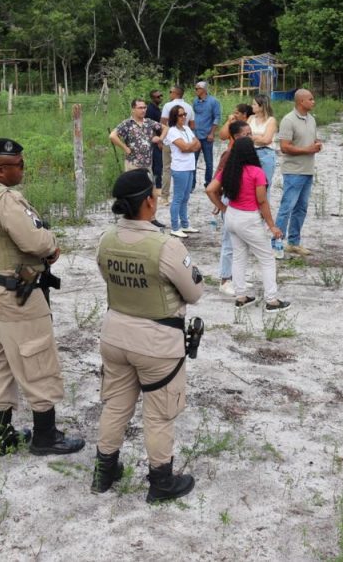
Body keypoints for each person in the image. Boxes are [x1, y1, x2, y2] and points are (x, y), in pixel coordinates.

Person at [0, 138, 84, 456]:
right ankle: (45, 436)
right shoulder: (4, 200)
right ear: (0, 169)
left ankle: (2, 435)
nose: (23, 170)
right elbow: (35, 242)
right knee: (37, 360)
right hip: (13, 293)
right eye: (19, 165)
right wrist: (51, 245)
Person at [92, 169, 203, 502]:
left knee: (115, 406)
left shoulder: (106, 238)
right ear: (148, 203)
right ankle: (161, 482)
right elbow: (194, 291)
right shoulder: (165, 245)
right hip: (157, 343)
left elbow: (106, 276)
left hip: (115, 335)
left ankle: (103, 473)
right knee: (158, 414)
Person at [206, 137, 290, 312]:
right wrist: (272, 225)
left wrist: (222, 207)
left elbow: (210, 189)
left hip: (232, 215)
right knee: (266, 258)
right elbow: (262, 201)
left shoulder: (229, 170)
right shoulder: (256, 172)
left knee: (239, 256)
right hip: (249, 218)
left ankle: (241, 296)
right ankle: (272, 300)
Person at [275, 89, 322, 257]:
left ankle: (294, 242)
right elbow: (284, 147)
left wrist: (316, 144)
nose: (313, 101)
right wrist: (307, 149)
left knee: (301, 208)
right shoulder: (288, 120)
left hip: (308, 170)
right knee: (287, 207)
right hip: (293, 171)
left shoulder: (311, 120)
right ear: (301, 101)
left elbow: (311, 141)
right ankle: (277, 243)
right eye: (310, 99)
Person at [213, 120, 253, 295]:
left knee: (241, 243)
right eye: (247, 134)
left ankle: (237, 277)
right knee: (229, 242)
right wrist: (220, 205)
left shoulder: (248, 154)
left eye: (251, 133)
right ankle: (225, 279)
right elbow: (215, 181)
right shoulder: (229, 155)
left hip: (242, 203)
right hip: (230, 201)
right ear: (236, 137)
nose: (251, 137)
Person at [163, 106, 201, 237]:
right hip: (180, 168)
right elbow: (184, 147)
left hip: (190, 166)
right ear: (174, 117)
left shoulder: (187, 129)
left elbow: (198, 144)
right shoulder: (172, 131)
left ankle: (185, 224)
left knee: (186, 197)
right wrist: (191, 146)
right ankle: (175, 226)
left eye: (185, 114)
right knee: (178, 198)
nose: (184, 117)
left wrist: (189, 146)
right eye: (181, 115)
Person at [159, 86, 195, 204]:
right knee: (184, 167)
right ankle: (183, 193)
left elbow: (163, 124)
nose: (169, 94)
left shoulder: (167, 106)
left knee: (167, 168)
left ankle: (165, 196)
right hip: (186, 139)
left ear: (175, 93)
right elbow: (192, 125)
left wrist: (161, 139)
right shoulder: (189, 107)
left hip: (171, 140)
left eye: (170, 92)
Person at [109, 98, 165, 173]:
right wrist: (125, 148)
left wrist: (160, 139)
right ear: (133, 109)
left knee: (147, 184)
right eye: (140, 108)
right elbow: (112, 136)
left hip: (147, 164)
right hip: (133, 164)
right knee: (133, 184)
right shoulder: (127, 123)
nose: (143, 110)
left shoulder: (149, 122)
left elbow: (165, 128)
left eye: (145, 107)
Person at [192, 81, 222, 188]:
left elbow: (217, 117)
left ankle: (208, 183)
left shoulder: (213, 101)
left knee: (208, 161)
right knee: (193, 161)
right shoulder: (195, 101)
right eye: (195, 88)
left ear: (204, 90)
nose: (195, 90)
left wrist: (212, 133)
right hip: (195, 135)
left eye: (197, 88)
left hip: (207, 135)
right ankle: (192, 184)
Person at [248, 93, 278, 188]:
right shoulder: (251, 118)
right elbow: (244, 136)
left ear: (261, 106)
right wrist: (259, 136)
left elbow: (267, 140)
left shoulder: (271, 120)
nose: (251, 106)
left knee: (265, 184)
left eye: (254, 104)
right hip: (251, 152)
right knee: (251, 183)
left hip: (266, 153)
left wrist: (252, 137)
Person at [147, 90, 165, 193]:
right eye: (158, 97)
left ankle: (156, 185)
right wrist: (158, 141)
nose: (160, 98)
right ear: (153, 98)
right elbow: (150, 127)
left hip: (158, 138)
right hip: (154, 140)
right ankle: (157, 187)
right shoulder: (150, 110)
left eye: (161, 96)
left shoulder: (157, 109)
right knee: (157, 165)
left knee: (158, 164)